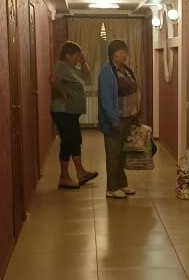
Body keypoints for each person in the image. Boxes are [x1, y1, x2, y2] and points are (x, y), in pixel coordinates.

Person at [49, 41, 98, 189]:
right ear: (67, 55)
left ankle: (81, 173)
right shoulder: (61, 65)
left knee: (75, 141)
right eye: (76, 55)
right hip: (63, 111)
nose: (78, 58)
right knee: (67, 143)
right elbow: (53, 80)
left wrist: (83, 62)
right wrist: (63, 93)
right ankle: (64, 177)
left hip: (71, 112)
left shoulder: (72, 69)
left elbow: (87, 76)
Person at [98, 38, 139, 199]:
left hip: (127, 117)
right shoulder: (107, 72)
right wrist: (113, 120)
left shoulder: (126, 70)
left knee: (122, 154)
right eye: (120, 52)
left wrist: (135, 112)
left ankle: (122, 184)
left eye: (125, 52)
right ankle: (112, 188)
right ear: (112, 55)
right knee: (113, 155)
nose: (124, 55)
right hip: (115, 120)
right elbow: (106, 99)